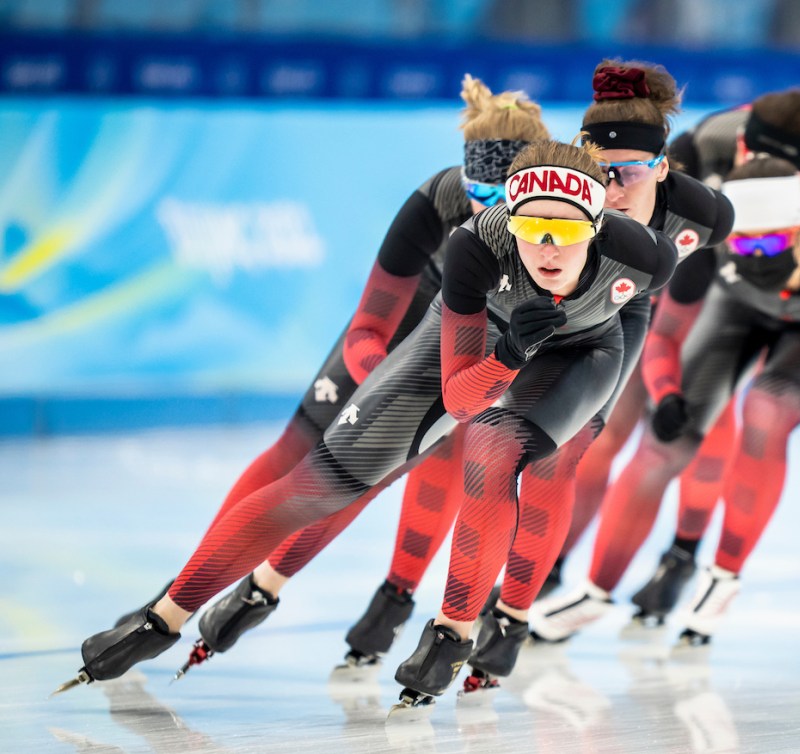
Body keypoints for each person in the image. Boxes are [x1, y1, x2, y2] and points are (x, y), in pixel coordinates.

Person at [60, 140, 681, 707]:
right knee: (315, 485)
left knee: (494, 452)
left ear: (599, 225)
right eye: (533, 227)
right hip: (487, 337)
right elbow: (460, 399)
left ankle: (453, 632)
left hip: (587, 348)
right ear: (508, 223)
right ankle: (161, 618)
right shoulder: (473, 246)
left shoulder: (643, 254)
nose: (548, 247)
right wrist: (509, 356)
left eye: (566, 228)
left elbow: (650, 298)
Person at [106, 75, 551, 675]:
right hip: (411, 327)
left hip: (481, 336)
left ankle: (387, 600)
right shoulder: (439, 198)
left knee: (399, 464)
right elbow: (367, 330)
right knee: (307, 453)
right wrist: (381, 381)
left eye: (503, 199)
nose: (486, 212)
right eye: (477, 192)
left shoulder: (556, 225)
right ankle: (194, 581)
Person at [324, 60, 736, 687]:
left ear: (662, 168)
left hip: (610, 321)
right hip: (528, 307)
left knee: (553, 461)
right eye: (598, 176)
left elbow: (731, 274)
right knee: (461, 444)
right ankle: (407, 601)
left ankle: (512, 617)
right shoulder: (558, 195)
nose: (610, 192)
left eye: (625, 176)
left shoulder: (704, 215)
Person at [530, 155, 800, 646]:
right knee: (663, 442)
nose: (757, 255)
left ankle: (723, 578)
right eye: (745, 243)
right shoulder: (710, 250)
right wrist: (668, 393)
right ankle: (595, 591)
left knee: (765, 410)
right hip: (738, 311)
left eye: (771, 241)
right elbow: (665, 336)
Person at [539, 86, 800, 630]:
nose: (766, 168)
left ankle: (681, 555)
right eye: (755, 157)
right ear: (741, 142)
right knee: (608, 433)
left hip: (739, 296)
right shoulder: (704, 146)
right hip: (665, 283)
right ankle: (554, 564)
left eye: (785, 171)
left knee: (703, 422)